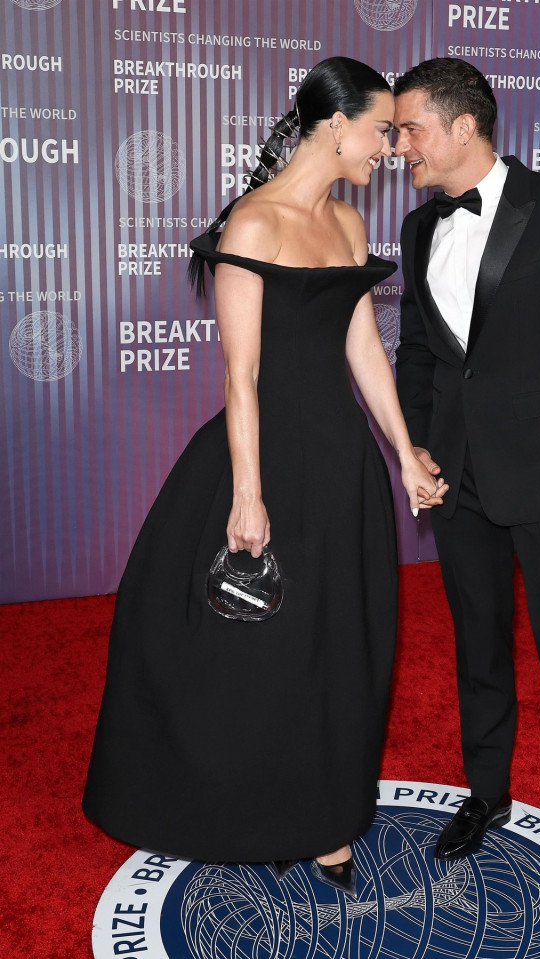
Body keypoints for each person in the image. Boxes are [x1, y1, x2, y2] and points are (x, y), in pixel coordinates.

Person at [82, 56, 446, 898]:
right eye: (381, 129)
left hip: (341, 467)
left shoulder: (351, 224)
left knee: (334, 643)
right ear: (332, 125)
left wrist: (403, 450)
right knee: (250, 644)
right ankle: (233, 804)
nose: (391, 147)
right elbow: (239, 376)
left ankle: (322, 814)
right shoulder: (253, 226)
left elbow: (364, 349)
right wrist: (248, 494)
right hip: (266, 461)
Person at [392, 57, 540, 909]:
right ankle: (486, 792)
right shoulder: (421, 229)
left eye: (411, 128)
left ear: (464, 126)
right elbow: (419, 354)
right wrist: (417, 451)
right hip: (458, 482)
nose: (399, 146)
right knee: (477, 648)